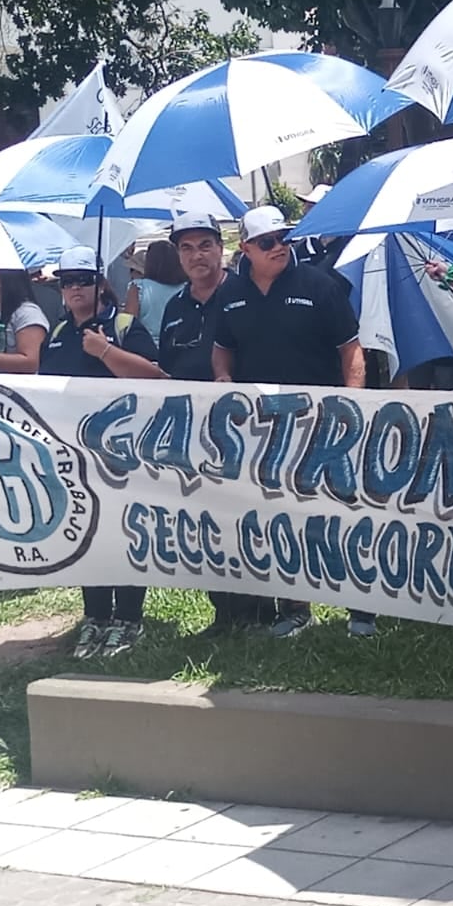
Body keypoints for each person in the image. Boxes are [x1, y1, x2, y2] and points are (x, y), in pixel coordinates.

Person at [214, 205, 363, 638]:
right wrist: (222, 377)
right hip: (262, 427)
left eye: (284, 238)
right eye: (267, 242)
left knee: (339, 512)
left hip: (323, 421)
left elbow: (351, 350)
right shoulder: (231, 292)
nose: (279, 247)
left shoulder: (320, 283)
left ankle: (362, 607)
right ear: (246, 249)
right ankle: (294, 606)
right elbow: (222, 349)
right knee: (280, 515)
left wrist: (353, 408)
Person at [39, 247, 163, 658]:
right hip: (74, 455)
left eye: (82, 279)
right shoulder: (56, 335)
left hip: (124, 453)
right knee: (86, 533)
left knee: (124, 533)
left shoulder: (124, 325)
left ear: (100, 283)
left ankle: (128, 617)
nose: (73, 288)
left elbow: (159, 376)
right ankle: (95, 615)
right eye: (66, 281)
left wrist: (106, 352)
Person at [157, 213, 276, 634]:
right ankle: (224, 611)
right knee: (208, 523)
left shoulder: (246, 294)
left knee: (251, 520)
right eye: (186, 248)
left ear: (222, 247)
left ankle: (264, 611)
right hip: (195, 434)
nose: (196, 255)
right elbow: (168, 368)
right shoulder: (174, 307)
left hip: (249, 430)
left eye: (204, 245)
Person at [124, 239, 187, 342]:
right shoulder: (188, 287)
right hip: (179, 346)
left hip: (146, 347)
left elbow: (128, 324)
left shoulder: (138, 287)